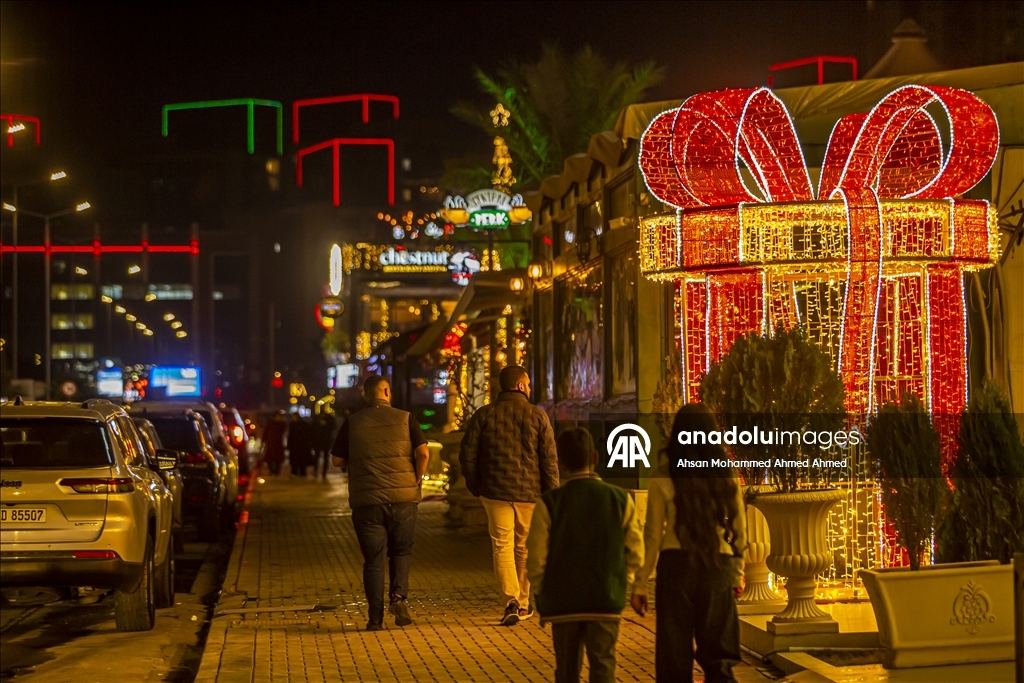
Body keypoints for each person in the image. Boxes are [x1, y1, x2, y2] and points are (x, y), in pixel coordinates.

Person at [630, 404, 747, 683]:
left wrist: (640, 583)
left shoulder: (661, 475)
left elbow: (653, 534)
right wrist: (737, 570)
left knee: (673, 656)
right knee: (719, 657)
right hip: (717, 565)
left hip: (675, 568)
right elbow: (740, 527)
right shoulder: (725, 473)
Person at [526, 428, 643, 683]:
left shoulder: (549, 503)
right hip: (606, 598)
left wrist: (541, 592)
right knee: (603, 664)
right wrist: (628, 581)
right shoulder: (620, 499)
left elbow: (536, 557)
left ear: (562, 464)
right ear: (596, 458)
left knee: (567, 669)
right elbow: (635, 551)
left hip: (563, 603)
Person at [459, 365, 559, 626]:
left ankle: (510, 601)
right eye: (528, 383)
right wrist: (553, 494)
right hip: (530, 493)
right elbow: (549, 460)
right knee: (524, 547)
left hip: (494, 492)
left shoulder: (484, 415)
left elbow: (467, 455)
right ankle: (524, 603)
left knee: (501, 546)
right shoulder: (537, 416)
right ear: (521, 386)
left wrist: (476, 485)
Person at [331, 375, 430, 631]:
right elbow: (423, 452)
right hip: (404, 500)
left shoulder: (352, 423)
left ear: (365, 395)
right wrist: (417, 477)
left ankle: (375, 619)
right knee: (401, 551)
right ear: (387, 391)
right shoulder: (406, 418)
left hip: (367, 502)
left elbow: (337, 461)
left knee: (373, 561)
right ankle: (398, 597)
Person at [288, 414, 314, 478]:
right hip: (297, 445)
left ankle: (299, 473)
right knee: (298, 460)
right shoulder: (294, 424)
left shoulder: (300, 425)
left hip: (300, 445)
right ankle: (297, 473)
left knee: (300, 460)